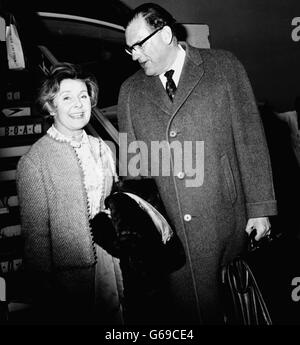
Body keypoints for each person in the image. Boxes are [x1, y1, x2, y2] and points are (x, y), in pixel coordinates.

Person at [117, 3, 277, 324]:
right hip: (173, 240)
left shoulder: (224, 67)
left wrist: (260, 209)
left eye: (139, 45)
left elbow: (250, 140)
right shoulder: (130, 91)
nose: (134, 55)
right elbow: (135, 172)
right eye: (129, 48)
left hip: (227, 225)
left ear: (165, 34)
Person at [16, 62, 123, 324]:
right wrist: (44, 289)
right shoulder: (34, 161)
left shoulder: (102, 148)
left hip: (111, 262)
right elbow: (36, 237)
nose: (79, 104)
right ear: (50, 106)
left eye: (83, 96)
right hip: (69, 276)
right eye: (67, 98)